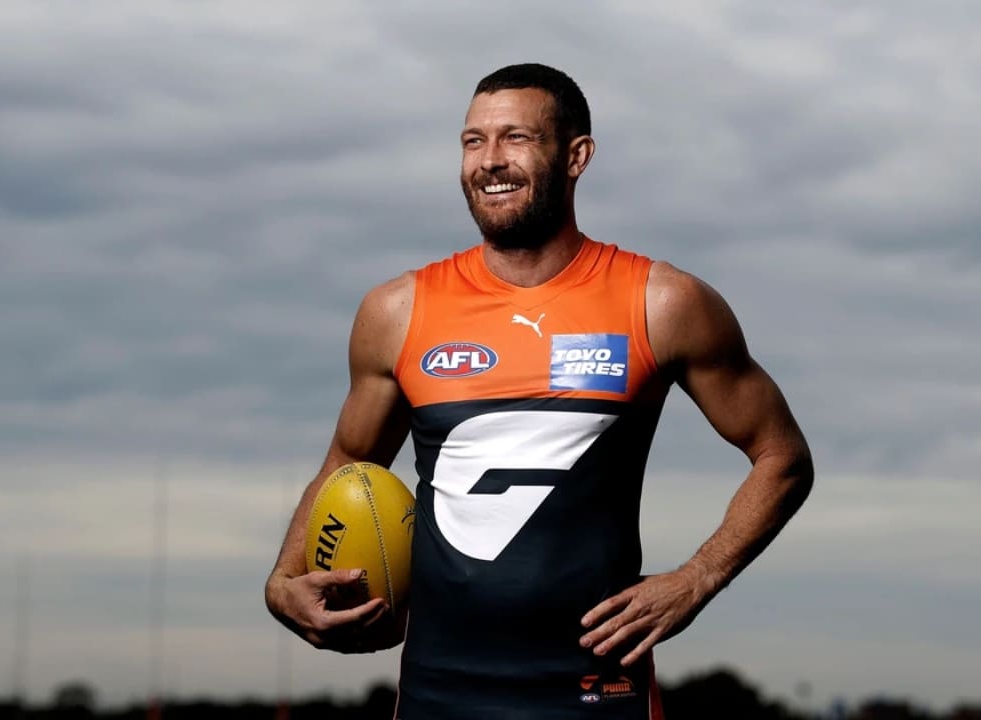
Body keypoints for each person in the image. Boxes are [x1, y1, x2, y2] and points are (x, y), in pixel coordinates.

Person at [265, 63, 814, 719]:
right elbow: (348, 462)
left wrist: (698, 578)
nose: (490, 161)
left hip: (597, 692)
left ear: (576, 156)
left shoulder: (661, 303)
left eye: (516, 138)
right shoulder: (398, 312)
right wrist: (283, 580)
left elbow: (782, 457)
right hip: (439, 692)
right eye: (473, 141)